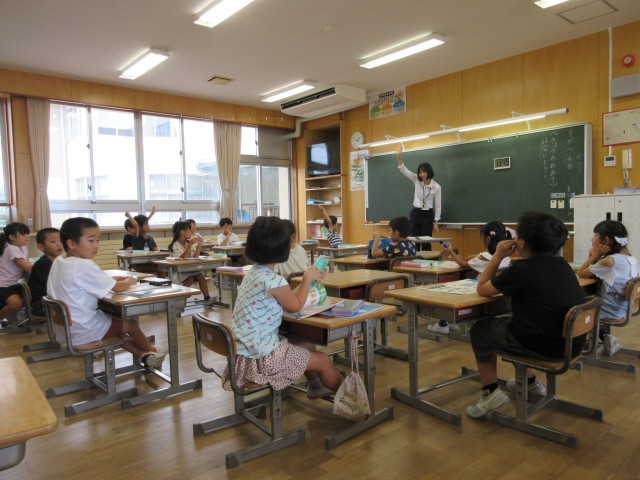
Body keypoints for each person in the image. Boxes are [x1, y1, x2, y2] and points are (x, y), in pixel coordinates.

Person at [466, 212, 585, 419]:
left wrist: (497, 256)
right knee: (516, 325)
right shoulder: (563, 264)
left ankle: (490, 392)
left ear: (521, 242)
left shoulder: (522, 269)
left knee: (481, 330)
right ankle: (531, 383)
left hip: (544, 346)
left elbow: (482, 288)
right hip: (571, 344)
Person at [223, 216, 343, 400]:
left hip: (242, 356)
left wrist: (309, 282)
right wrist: (306, 279)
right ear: (283, 248)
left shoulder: (253, 273)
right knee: (323, 360)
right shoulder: (274, 280)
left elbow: (288, 297)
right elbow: (295, 306)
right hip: (264, 360)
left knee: (303, 343)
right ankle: (354, 397)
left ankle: (316, 387)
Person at [47, 217, 165, 367]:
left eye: (98, 240)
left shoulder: (58, 261)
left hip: (65, 331)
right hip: (84, 330)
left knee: (116, 327)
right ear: (71, 244)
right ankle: (153, 352)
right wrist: (132, 279)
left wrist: (108, 280)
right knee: (130, 324)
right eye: (91, 241)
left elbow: (83, 282)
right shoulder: (84, 265)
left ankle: (143, 355)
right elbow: (118, 288)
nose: (96, 245)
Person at [429, 221, 514, 334]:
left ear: (487, 240)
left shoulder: (485, 256)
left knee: (448, 292)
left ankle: (443, 323)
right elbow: (472, 261)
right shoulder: (507, 258)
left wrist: (451, 252)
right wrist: (459, 256)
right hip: (498, 295)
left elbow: (464, 264)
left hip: (479, 291)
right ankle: (450, 322)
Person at [576, 220, 639, 355]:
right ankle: (604, 336)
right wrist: (593, 256)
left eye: (595, 235)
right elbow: (592, 273)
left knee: (574, 306)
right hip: (624, 308)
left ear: (605, 240)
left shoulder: (610, 261)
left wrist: (595, 255)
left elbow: (581, 273)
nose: (592, 239)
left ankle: (579, 344)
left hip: (610, 310)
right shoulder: (630, 258)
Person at [395, 144, 441, 251]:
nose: (422, 174)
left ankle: (426, 261)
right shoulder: (416, 179)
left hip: (428, 215)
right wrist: (398, 155)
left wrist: (436, 222)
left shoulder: (436, 187)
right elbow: (402, 169)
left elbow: (438, 206)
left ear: (429, 172)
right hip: (415, 213)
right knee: (414, 241)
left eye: (424, 172)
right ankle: (414, 260)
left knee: (426, 242)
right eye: (420, 172)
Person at [168, 221, 213, 303]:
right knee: (190, 279)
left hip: (189, 268)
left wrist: (199, 245)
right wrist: (189, 245)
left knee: (201, 277)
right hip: (179, 271)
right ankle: (179, 299)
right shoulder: (175, 245)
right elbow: (183, 257)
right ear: (182, 232)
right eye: (189, 230)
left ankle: (207, 298)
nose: (191, 233)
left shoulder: (188, 243)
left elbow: (195, 256)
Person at [0, 222, 33, 324]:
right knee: (15, 304)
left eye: (27, 234)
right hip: (5, 285)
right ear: (12, 237)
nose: (27, 237)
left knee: (30, 297)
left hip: (15, 283)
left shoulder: (22, 247)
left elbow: (26, 264)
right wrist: (41, 264)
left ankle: (11, 319)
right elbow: (25, 266)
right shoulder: (11, 248)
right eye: (24, 234)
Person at [28, 227, 63, 317]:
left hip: (51, 298)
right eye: (53, 241)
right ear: (41, 247)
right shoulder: (43, 264)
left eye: (61, 241)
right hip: (41, 303)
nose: (59, 244)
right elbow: (52, 287)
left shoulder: (59, 261)